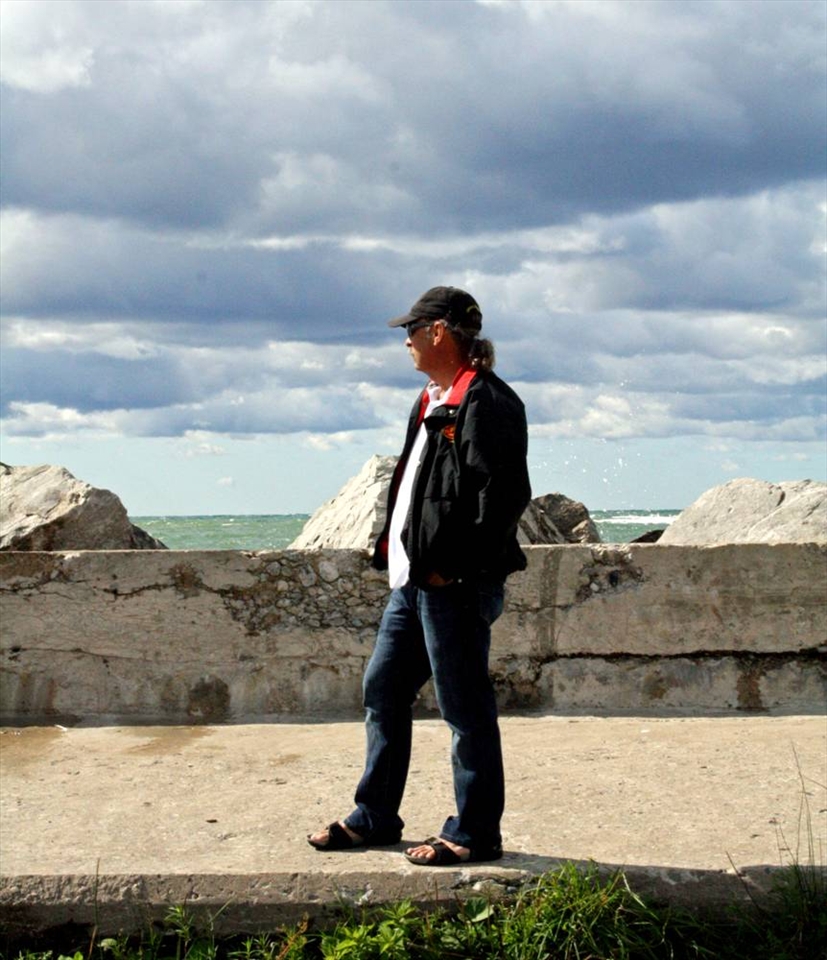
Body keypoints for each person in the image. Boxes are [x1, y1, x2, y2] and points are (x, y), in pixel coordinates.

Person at [308, 286, 531, 865]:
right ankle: (375, 815)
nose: (405, 340)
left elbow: (502, 499)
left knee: (464, 707)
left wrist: (450, 569)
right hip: (413, 583)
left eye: (412, 329)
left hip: (450, 585)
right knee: (382, 690)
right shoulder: (433, 398)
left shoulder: (486, 400)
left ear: (439, 332)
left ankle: (476, 832)